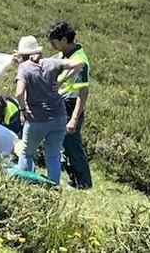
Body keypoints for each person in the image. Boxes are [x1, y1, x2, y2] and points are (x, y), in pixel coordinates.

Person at [12, 35, 88, 185]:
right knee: (53, 154)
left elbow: (19, 93)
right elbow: (79, 64)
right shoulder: (51, 62)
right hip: (59, 117)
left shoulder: (23, 68)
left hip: (37, 119)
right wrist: (62, 80)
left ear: (22, 54)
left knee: (27, 153)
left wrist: (22, 109)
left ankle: (24, 183)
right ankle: (54, 186)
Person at [47, 20, 93, 189]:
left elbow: (83, 93)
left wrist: (74, 118)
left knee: (72, 145)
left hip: (72, 104)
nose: (52, 45)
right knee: (64, 144)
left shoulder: (80, 61)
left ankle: (84, 183)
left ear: (65, 40)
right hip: (61, 102)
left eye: (54, 41)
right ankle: (74, 180)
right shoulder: (63, 55)